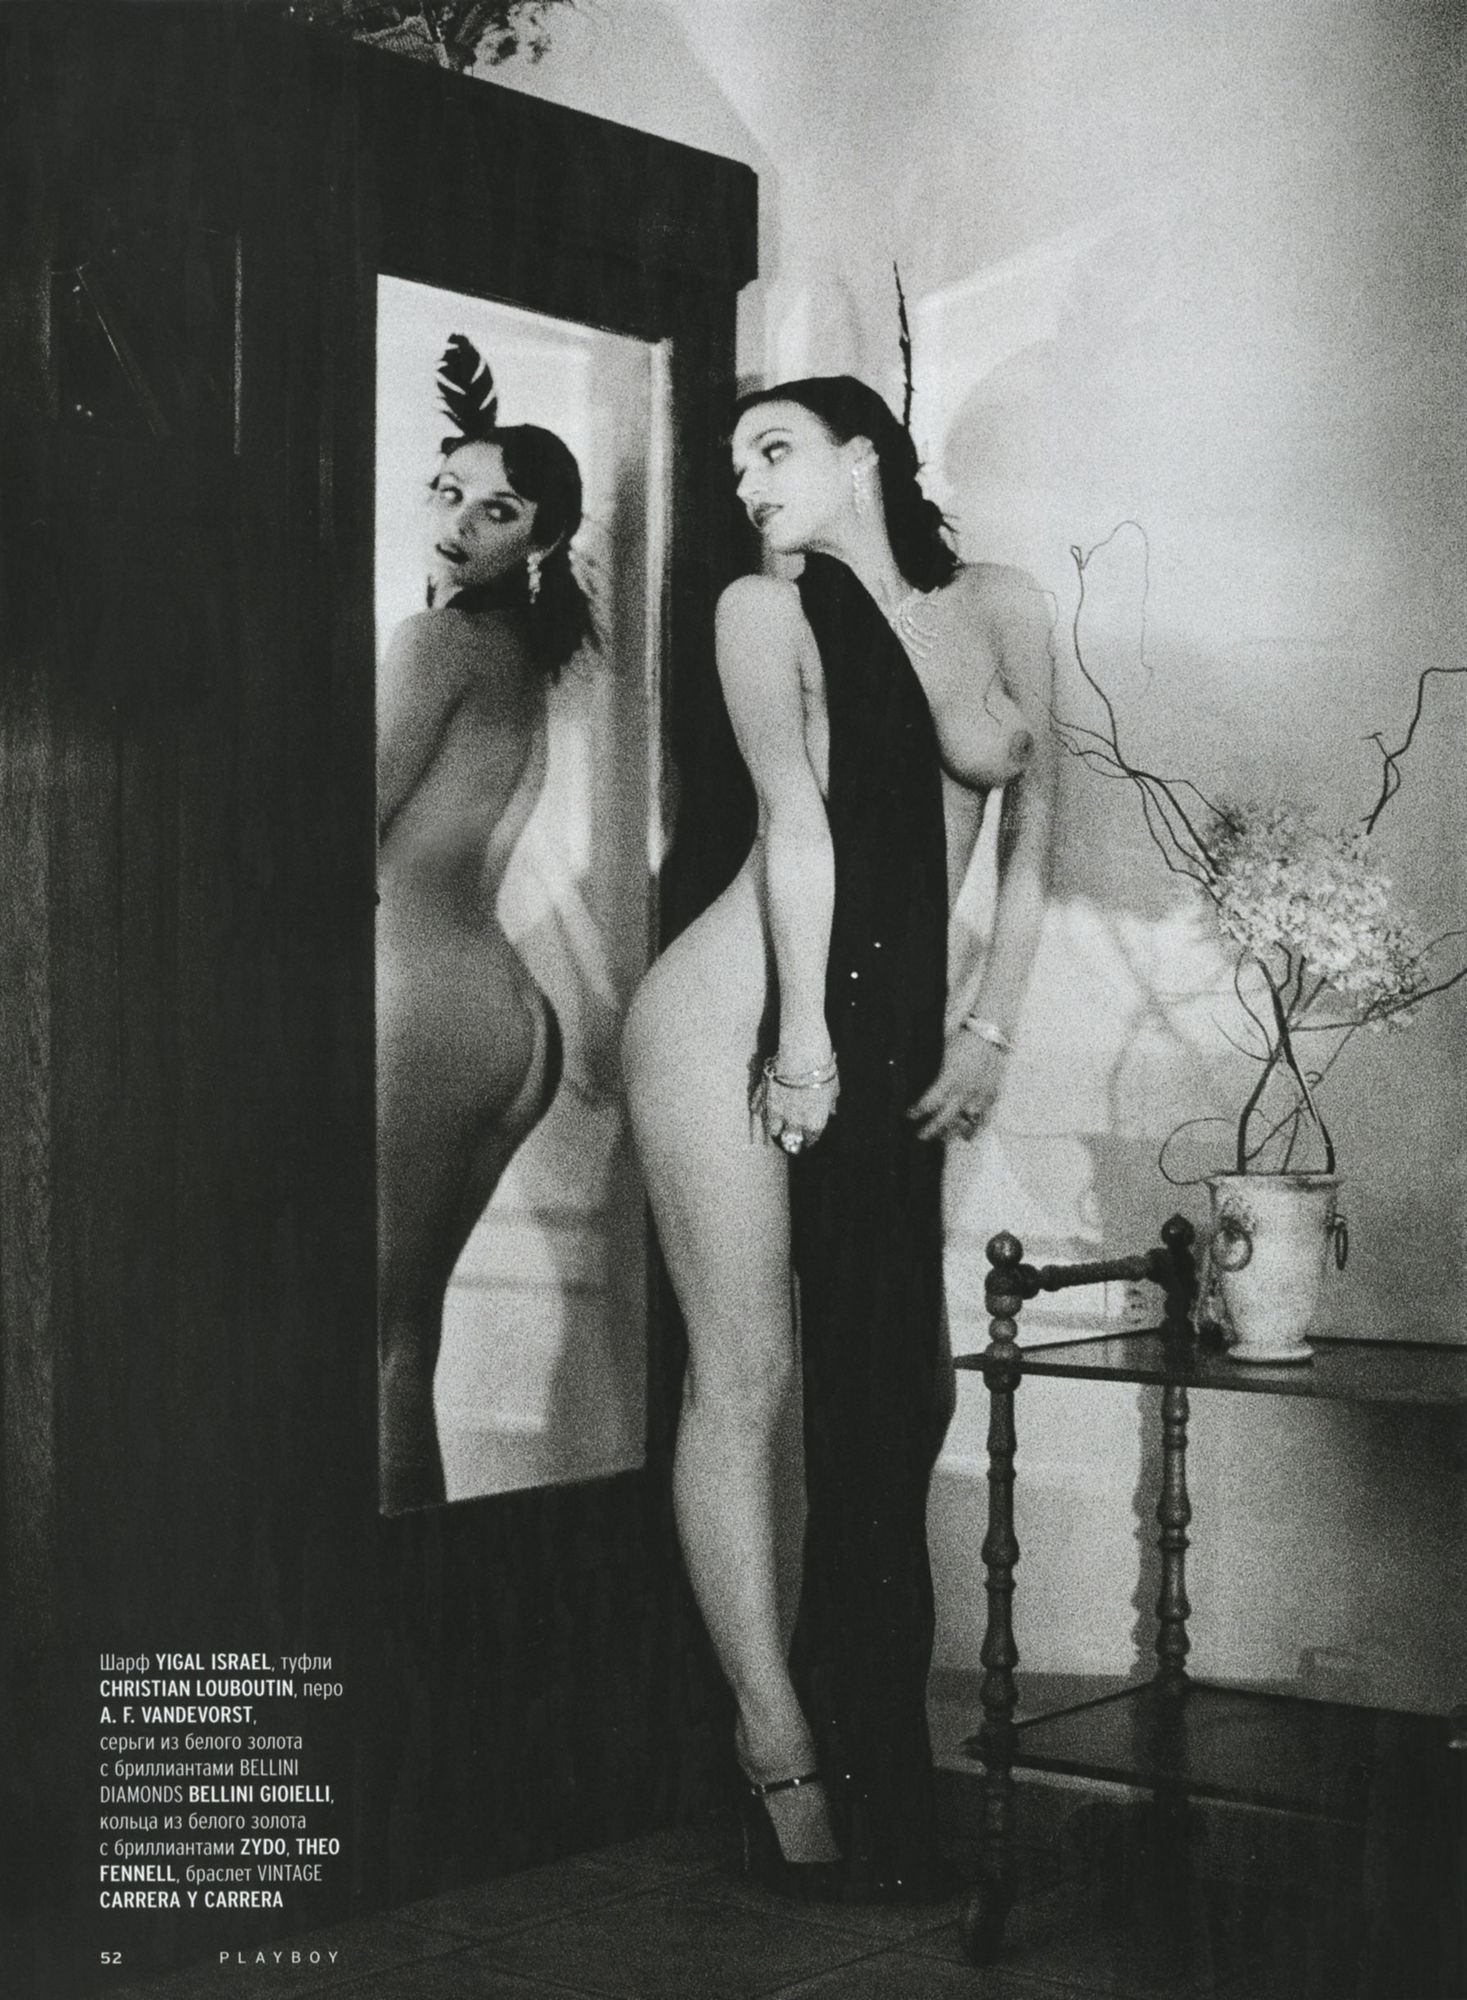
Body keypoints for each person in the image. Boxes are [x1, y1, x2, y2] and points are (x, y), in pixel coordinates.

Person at [622, 374, 1056, 1900]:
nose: (746, 480)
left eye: (775, 449)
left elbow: (1032, 841)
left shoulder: (998, 605)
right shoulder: (763, 611)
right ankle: (778, 1746)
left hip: (889, 1026)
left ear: (861, 453)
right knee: (745, 1377)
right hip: (736, 1017)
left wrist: (986, 1029)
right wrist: (796, 1038)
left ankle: (869, 1746)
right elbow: (791, 825)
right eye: (733, 460)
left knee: (895, 1398)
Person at [377, 336, 595, 1514]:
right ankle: (421, 1599)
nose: (459, 522)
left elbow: (345, 826)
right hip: (509, 1018)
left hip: (420, 1001)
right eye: (448, 491)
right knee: (402, 1339)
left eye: (497, 509)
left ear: (542, 541)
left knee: (370, 1340)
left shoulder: (436, 642)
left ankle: (385, 1607)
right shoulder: (516, 655)